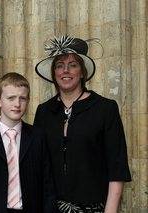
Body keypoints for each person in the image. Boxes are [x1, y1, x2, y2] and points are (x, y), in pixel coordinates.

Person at [33, 35, 131, 213]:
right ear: (54, 73)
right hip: (49, 208)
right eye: (60, 66)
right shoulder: (44, 112)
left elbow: (117, 167)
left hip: (94, 208)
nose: (66, 71)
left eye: (73, 65)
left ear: (82, 71)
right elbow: (38, 164)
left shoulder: (105, 109)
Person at [0, 72, 56, 213]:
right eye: (11, 98)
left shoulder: (38, 137)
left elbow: (47, 183)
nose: (17, 104)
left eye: (23, 98)